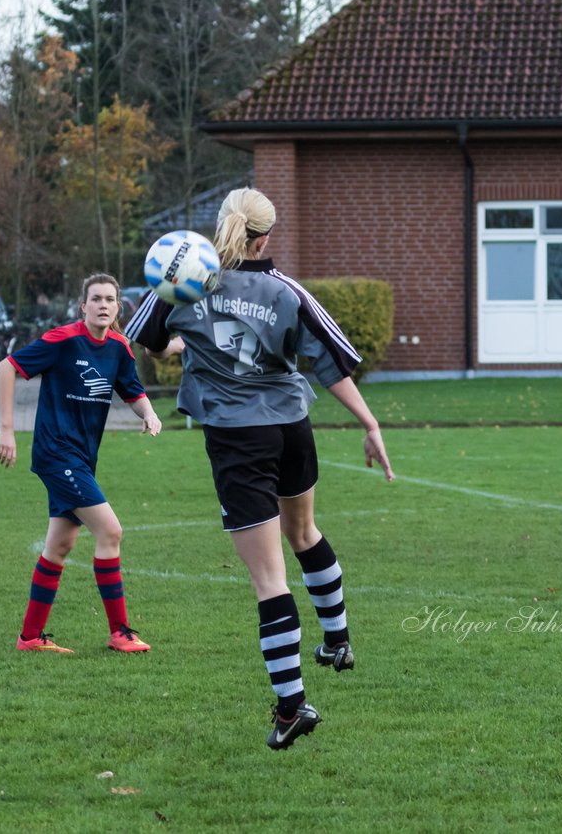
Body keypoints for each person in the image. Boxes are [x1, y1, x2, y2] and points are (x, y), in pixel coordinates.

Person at [125, 187, 395, 751]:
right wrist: (369, 424)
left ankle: (292, 707)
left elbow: (145, 341)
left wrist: (181, 341)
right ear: (267, 236)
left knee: (269, 581)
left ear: (221, 224)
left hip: (237, 440)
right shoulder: (285, 290)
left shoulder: (187, 279)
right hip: (291, 428)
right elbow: (332, 360)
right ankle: (337, 641)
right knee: (304, 533)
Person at [0, 273, 162, 654]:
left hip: (82, 459)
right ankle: (119, 632)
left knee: (60, 545)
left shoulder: (120, 347)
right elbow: (8, 367)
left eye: (110, 299)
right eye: (96, 299)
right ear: (82, 306)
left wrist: (148, 413)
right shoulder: (63, 339)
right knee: (110, 532)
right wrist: (7, 430)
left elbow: (132, 391)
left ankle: (30, 638)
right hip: (57, 454)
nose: (103, 305)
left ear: (118, 307)